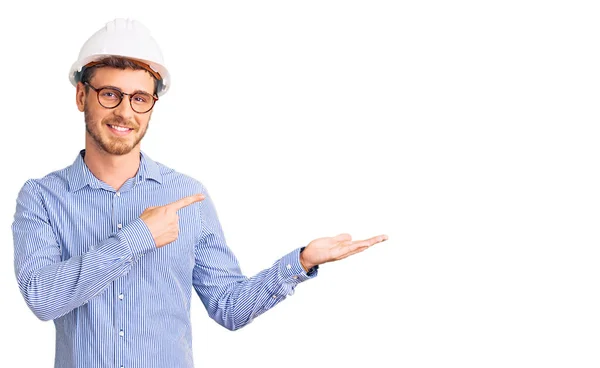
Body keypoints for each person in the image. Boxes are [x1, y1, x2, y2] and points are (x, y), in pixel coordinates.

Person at [11, 18, 388, 368]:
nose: (125, 112)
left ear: (151, 106)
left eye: (140, 98)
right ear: (82, 97)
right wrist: (136, 238)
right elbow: (43, 298)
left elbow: (228, 306)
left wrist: (301, 261)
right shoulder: (42, 198)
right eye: (110, 94)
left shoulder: (186, 195)